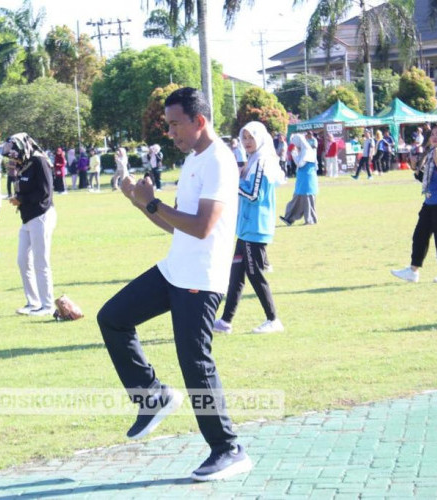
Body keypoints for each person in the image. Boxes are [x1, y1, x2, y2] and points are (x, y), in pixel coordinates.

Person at [97, 87, 252, 482]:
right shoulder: (193, 160)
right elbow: (174, 224)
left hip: (200, 278)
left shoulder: (218, 160)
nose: (170, 133)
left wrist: (153, 203)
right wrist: (140, 202)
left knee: (195, 363)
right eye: (167, 126)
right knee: (112, 318)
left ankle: (229, 449)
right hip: (174, 270)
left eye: (175, 124)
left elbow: (202, 227)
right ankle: (152, 395)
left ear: (199, 121)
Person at [212, 121, 286, 336]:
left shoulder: (263, 161)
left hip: (256, 226)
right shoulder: (253, 161)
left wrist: (231, 182)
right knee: (236, 275)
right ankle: (225, 321)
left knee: (255, 275)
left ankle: (273, 319)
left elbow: (254, 195)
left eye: (250, 137)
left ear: (260, 138)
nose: (247, 142)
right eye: (244, 138)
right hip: (246, 228)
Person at [391, 123, 437, 284]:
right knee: (420, 235)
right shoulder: (431, 154)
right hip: (430, 202)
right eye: (433, 134)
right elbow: (426, 179)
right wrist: (416, 169)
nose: (435, 137)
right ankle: (413, 271)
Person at [5, 133, 57, 317]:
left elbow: (45, 193)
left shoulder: (39, 161)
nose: (13, 157)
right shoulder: (23, 164)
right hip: (27, 218)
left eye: (15, 152)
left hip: (41, 215)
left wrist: (21, 199)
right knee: (22, 260)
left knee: (40, 262)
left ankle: (48, 305)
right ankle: (33, 301)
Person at [280, 133, 318, 225]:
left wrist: (294, 153)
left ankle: (310, 219)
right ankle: (289, 218)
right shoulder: (302, 151)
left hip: (307, 179)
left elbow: (300, 163)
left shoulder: (307, 151)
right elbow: (299, 163)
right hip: (302, 178)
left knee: (307, 199)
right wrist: (295, 153)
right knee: (297, 199)